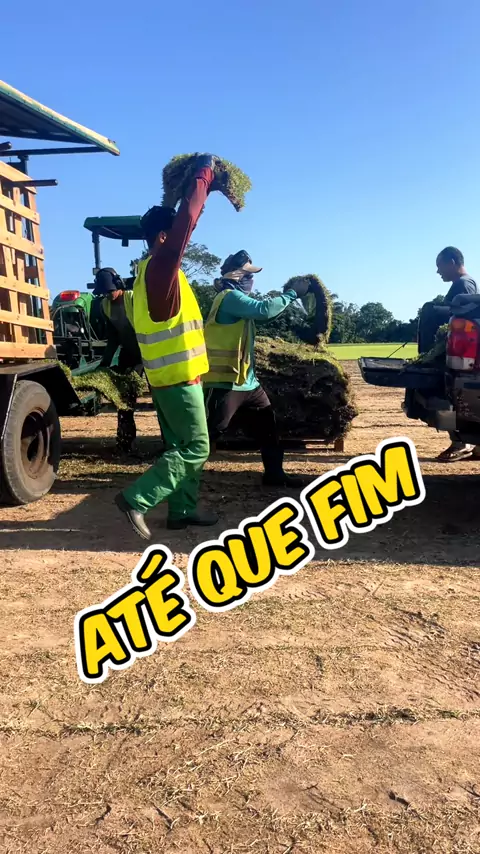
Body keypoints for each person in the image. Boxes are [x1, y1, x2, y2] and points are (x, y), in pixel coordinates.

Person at [115, 154, 219, 540]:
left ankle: (182, 511)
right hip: (179, 380)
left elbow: (184, 221)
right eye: (172, 235)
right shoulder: (162, 267)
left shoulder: (145, 272)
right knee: (197, 447)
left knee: (179, 445)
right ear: (163, 237)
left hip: (163, 380)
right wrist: (204, 175)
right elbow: (187, 221)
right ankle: (138, 499)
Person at [203, 251, 309, 487]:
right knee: (210, 432)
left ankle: (274, 474)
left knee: (268, 427)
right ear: (237, 275)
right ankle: (176, 476)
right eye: (248, 276)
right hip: (225, 382)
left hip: (247, 383)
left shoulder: (237, 301)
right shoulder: (229, 298)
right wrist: (292, 294)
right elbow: (264, 310)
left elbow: (263, 315)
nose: (251, 281)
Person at [435, 247, 478, 462]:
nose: (438, 271)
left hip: (461, 356)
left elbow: (465, 319)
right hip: (458, 353)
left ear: (452, 262)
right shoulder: (462, 284)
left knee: (449, 398)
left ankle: (460, 442)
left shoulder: (463, 285)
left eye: (440, 266)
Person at [94, 268, 143, 454]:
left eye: (110, 291)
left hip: (148, 351)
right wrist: (105, 363)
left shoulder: (133, 298)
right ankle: (125, 442)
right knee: (124, 398)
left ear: (119, 285)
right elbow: (113, 336)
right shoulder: (105, 306)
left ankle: (169, 443)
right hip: (128, 352)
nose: (108, 296)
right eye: (104, 293)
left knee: (161, 398)